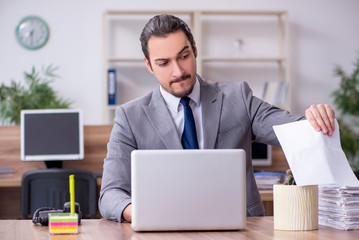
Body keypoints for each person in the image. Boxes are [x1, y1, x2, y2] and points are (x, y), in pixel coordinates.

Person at [99, 14, 335, 223]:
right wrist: (140, 212)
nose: (178, 71)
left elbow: (291, 130)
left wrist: (315, 121)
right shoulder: (130, 117)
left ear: (195, 49)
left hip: (242, 228)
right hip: (166, 229)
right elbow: (110, 193)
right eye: (164, 63)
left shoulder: (237, 97)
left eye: (183, 56)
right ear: (149, 65)